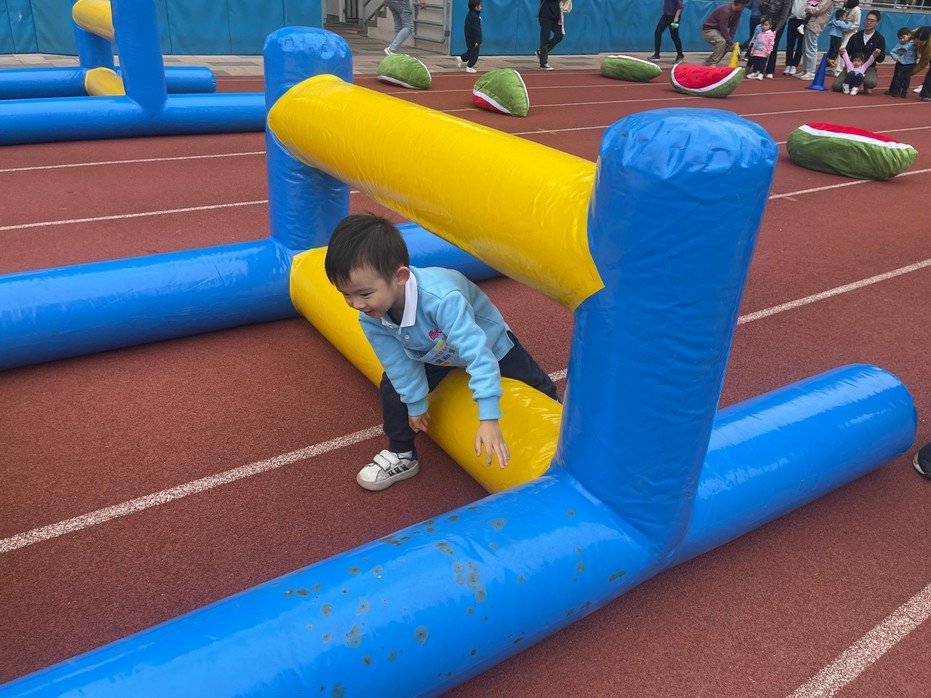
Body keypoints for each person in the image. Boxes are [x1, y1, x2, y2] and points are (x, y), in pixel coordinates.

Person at [323, 214, 559, 491]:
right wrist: (416, 403)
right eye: (346, 295)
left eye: (364, 294)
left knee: (533, 382)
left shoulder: (442, 300)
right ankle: (402, 452)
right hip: (431, 352)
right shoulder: (371, 317)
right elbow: (397, 363)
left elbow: (478, 356)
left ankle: (553, 409)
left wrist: (489, 418)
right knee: (393, 386)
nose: (356, 304)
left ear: (400, 276)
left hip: (488, 343)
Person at [832, 10, 886, 93]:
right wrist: (842, 52)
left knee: (871, 82)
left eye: (872, 21)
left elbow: (881, 59)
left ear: (877, 23)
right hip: (853, 66)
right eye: (867, 20)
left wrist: (877, 54)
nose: (868, 22)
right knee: (836, 86)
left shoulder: (879, 38)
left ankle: (866, 85)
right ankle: (851, 83)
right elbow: (846, 53)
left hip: (868, 67)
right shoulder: (855, 36)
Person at [701, 0, 751, 67]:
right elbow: (723, 28)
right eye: (744, 6)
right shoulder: (725, 11)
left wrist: (730, 42)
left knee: (726, 45)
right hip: (708, 30)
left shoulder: (738, 12)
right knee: (721, 42)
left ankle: (707, 63)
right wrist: (730, 42)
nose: (744, 8)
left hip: (719, 31)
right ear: (740, 5)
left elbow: (734, 26)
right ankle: (712, 63)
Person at [795, 0, 832, 80]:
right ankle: (806, 70)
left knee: (810, 48)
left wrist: (808, 8)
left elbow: (818, 10)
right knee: (805, 48)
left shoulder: (827, 1)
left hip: (815, 24)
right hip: (811, 23)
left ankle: (811, 71)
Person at [761, 0, 793, 79]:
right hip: (767, 22)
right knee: (762, 44)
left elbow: (784, 16)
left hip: (778, 24)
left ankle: (770, 71)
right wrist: (762, 4)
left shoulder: (787, 2)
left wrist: (776, 29)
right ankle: (759, 69)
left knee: (773, 46)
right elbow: (763, 10)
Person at [650, 0, 686, 64]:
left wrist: (676, 17)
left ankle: (680, 55)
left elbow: (680, 6)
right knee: (657, 33)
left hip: (673, 17)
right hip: (666, 16)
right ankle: (656, 55)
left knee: (674, 36)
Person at [885, 27, 917, 97]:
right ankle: (895, 91)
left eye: (903, 37)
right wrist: (896, 58)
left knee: (906, 79)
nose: (902, 40)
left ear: (909, 35)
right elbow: (892, 52)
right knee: (898, 78)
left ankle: (904, 91)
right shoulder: (898, 45)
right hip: (901, 64)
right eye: (900, 38)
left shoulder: (913, 43)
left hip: (910, 64)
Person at [455, 0, 482, 74]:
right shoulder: (474, 16)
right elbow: (476, 29)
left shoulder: (470, 14)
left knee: (470, 51)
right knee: (475, 53)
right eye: (480, 5)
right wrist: (478, 40)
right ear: (476, 7)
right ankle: (469, 66)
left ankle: (461, 58)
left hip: (469, 37)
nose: (481, 7)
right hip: (474, 38)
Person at [782, 0, 808, 75]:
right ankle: (788, 64)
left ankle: (794, 65)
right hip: (793, 19)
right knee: (790, 44)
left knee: (800, 45)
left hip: (803, 21)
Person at [537, 0, 563, 71]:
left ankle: (541, 53)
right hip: (545, 16)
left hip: (556, 17)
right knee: (545, 39)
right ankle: (543, 63)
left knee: (559, 36)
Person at [910, 26, 931, 101]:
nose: (918, 45)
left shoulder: (929, 46)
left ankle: (927, 94)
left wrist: (909, 73)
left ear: (926, 41)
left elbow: (922, 64)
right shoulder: (912, 33)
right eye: (916, 43)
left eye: (921, 44)